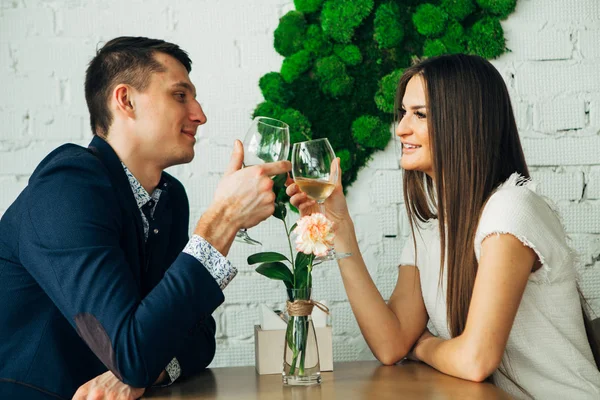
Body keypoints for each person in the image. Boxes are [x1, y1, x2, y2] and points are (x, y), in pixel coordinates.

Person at [288, 54, 600, 399]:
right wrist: (340, 228)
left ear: (464, 121)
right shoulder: (434, 225)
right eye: (403, 113)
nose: (401, 128)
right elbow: (391, 343)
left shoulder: (511, 209)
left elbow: (475, 360)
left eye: (419, 114)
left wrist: (422, 345)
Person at [0, 36, 291, 400]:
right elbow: (135, 353)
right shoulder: (67, 189)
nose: (200, 114)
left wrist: (143, 372)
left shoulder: (169, 198)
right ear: (125, 100)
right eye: (180, 95)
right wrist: (223, 221)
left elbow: (198, 339)